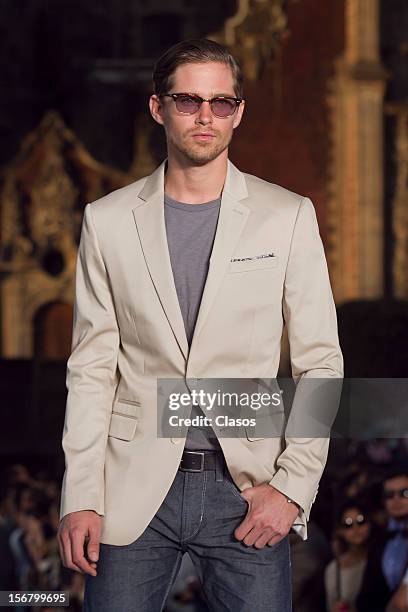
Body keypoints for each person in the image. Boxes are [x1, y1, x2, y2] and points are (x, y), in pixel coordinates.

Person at [57, 38, 344, 611]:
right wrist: (79, 495)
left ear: (238, 111)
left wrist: (293, 487)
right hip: (131, 487)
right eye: (188, 100)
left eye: (221, 102)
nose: (206, 116)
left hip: (247, 489)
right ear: (158, 107)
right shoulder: (108, 220)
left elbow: (321, 364)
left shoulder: (287, 216)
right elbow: (91, 369)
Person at [357, 467, 408, 611]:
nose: (396, 500)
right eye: (389, 495)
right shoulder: (376, 536)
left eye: (404, 493)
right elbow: (368, 592)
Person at [324, 500, 371, 612]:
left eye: (361, 521)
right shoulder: (334, 569)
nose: (356, 529)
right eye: (348, 525)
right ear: (340, 530)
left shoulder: (384, 557)